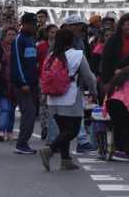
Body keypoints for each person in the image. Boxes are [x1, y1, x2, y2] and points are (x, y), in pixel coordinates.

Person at [39, 28, 98, 171]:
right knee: (73, 130)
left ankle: (66, 160)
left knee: (64, 130)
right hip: (70, 96)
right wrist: (94, 92)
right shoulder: (77, 55)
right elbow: (89, 77)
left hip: (53, 98)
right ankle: (50, 150)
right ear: (72, 40)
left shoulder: (51, 56)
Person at [11, 12, 39, 155]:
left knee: (31, 113)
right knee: (29, 112)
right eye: (33, 24)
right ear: (26, 24)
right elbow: (17, 64)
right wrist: (23, 83)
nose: (35, 27)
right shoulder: (19, 40)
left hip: (33, 84)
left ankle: (23, 143)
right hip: (23, 85)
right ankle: (21, 144)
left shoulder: (31, 40)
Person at [103, 65, 129, 162]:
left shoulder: (115, 83)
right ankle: (121, 151)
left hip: (111, 104)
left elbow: (107, 97)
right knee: (128, 126)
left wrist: (104, 111)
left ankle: (116, 151)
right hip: (121, 105)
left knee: (117, 126)